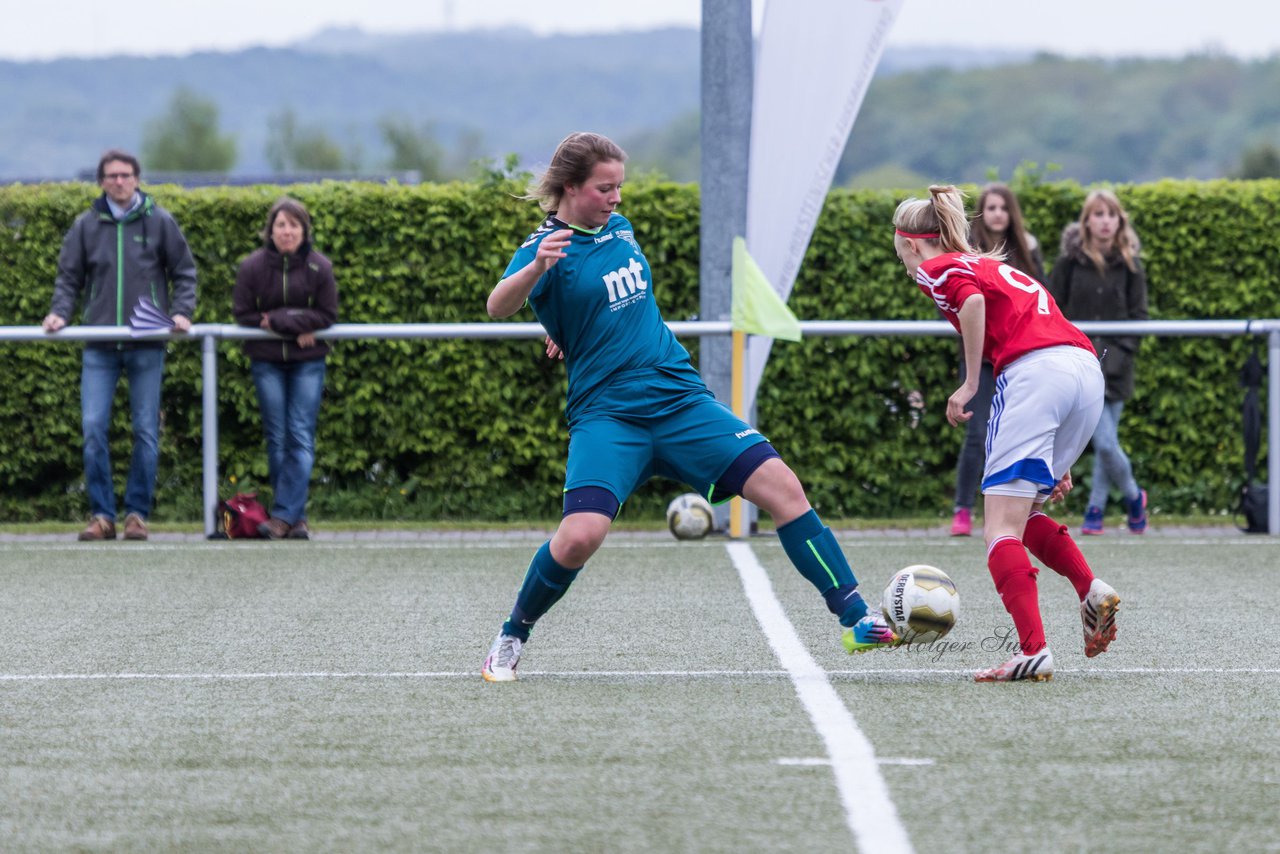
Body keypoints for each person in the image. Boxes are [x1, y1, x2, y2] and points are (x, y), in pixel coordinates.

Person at [480, 131, 897, 681]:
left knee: (783, 488)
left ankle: (855, 616)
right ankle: (511, 636)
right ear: (571, 187)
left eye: (619, 187)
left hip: (679, 401)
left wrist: (565, 329)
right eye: (605, 188)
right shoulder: (542, 248)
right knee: (580, 535)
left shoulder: (620, 229)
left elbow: (607, 304)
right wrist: (536, 273)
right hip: (609, 416)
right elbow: (497, 305)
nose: (617, 198)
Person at [894, 184, 1121, 682]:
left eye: (901, 254)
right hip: (1084, 369)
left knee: (998, 527)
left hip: (1035, 374)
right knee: (1029, 510)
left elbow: (971, 305)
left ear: (910, 242)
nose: (906, 264)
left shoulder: (935, 268)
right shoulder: (987, 263)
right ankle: (1091, 588)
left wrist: (972, 383)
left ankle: (1033, 651)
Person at [42, 149, 197, 542]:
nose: (119, 181)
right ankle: (102, 515)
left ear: (137, 179)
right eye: (111, 176)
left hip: (147, 342)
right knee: (93, 427)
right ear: (101, 182)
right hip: (98, 343)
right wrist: (60, 312)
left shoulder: (160, 221)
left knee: (146, 430)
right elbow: (68, 278)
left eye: (125, 175)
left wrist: (180, 312)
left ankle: (137, 516)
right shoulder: (85, 225)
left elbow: (184, 272)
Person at [232, 197, 337, 540]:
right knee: (277, 439)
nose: (287, 231)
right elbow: (244, 314)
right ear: (270, 230)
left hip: (308, 362)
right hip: (267, 361)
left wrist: (280, 321)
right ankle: (295, 517)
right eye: (281, 225)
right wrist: (291, 324)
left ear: (304, 230)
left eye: (294, 225)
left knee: (300, 436)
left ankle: (283, 516)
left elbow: (327, 314)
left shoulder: (320, 267)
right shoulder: (252, 267)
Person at [1047, 189, 1149, 536]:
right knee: (1105, 441)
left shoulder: (1132, 265)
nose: (1105, 221)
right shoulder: (1068, 264)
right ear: (1086, 220)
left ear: (1119, 220)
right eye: (1098, 214)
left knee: (1106, 442)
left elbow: (1139, 319)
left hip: (1116, 369)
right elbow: (1052, 311)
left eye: (1111, 214)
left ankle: (1097, 508)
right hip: (1078, 365)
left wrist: (1116, 359)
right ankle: (1132, 498)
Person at [949, 184, 1047, 537]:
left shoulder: (1026, 252)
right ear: (982, 213)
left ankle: (1023, 511)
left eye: (1003, 208)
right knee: (977, 434)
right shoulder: (965, 255)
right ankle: (962, 508)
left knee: (1018, 434)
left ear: (1011, 214)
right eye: (990, 207)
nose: (996, 214)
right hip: (982, 358)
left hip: (1020, 359)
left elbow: (1041, 298)